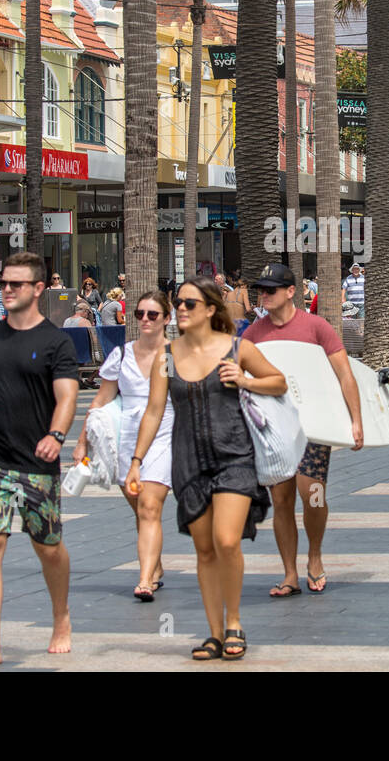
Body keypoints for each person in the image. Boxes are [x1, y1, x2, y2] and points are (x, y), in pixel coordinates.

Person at [126, 277, 287, 661]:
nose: (180, 309)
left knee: (227, 540)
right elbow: (153, 411)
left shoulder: (237, 348)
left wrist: (245, 380)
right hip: (189, 460)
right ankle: (214, 633)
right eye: (177, 302)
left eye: (189, 304)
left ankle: (234, 623)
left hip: (234, 455)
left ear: (211, 310)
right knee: (204, 549)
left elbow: (279, 382)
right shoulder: (167, 356)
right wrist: (136, 462)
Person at [0, 252, 79, 669]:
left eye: (16, 284)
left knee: (47, 547)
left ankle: (61, 617)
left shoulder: (55, 341)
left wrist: (56, 435)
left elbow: (67, 396)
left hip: (36, 460)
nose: (6, 290)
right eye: (3, 283)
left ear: (38, 289)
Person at [243, 264, 363, 597]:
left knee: (313, 495)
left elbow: (345, 375)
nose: (264, 295)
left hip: (313, 424)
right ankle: (289, 574)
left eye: (271, 290)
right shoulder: (254, 333)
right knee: (280, 501)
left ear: (291, 292)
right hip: (274, 428)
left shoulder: (317, 327)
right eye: (261, 290)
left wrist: (356, 421)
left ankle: (314, 555)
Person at [73, 291, 177, 601]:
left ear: (166, 319)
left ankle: (145, 579)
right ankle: (154, 565)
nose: (145, 319)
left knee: (149, 506)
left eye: (153, 314)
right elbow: (102, 398)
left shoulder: (173, 355)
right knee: (140, 508)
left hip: (165, 429)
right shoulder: (121, 353)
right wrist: (82, 443)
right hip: (126, 434)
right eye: (140, 314)